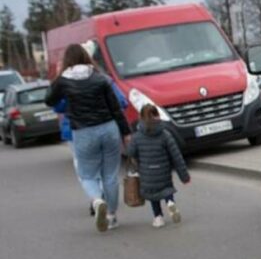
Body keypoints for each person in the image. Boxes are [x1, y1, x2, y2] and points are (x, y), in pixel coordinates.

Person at [45, 43, 131, 232]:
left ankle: (98, 200)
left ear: (67, 61)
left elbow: (49, 99)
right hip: (109, 128)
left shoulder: (63, 81)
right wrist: (126, 133)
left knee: (87, 174)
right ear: (87, 57)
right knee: (110, 176)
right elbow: (116, 107)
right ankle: (111, 215)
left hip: (83, 132)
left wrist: (60, 81)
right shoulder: (101, 78)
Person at [126, 104, 190, 228]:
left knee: (153, 195)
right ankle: (170, 203)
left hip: (146, 172)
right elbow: (176, 156)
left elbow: (130, 152)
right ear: (157, 115)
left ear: (141, 117)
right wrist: (185, 177)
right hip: (163, 170)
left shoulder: (137, 136)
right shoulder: (165, 134)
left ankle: (158, 217)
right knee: (166, 189)